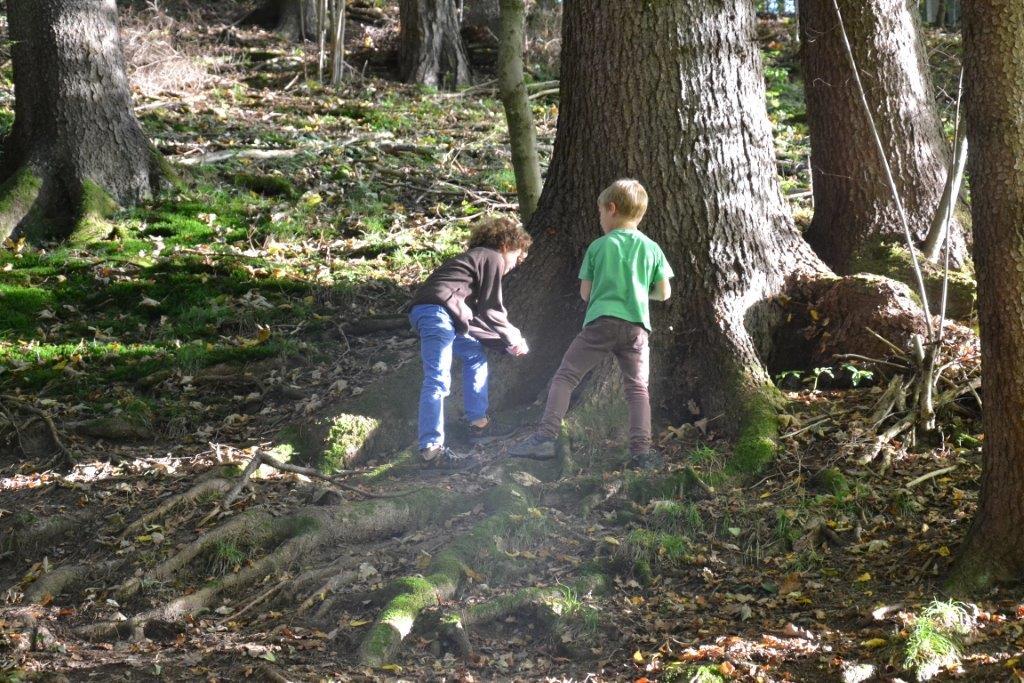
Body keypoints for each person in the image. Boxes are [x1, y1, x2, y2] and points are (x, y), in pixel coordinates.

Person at [509, 179, 673, 468]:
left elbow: (585, 293)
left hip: (601, 325)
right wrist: (638, 292)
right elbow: (663, 293)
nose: (600, 218)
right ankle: (641, 452)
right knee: (637, 389)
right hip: (636, 329)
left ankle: (545, 438)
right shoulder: (652, 248)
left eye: (600, 212)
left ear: (611, 209)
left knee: (565, 376)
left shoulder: (598, 247)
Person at [409, 216, 531, 467]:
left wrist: (504, 345)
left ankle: (478, 425)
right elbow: (491, 309)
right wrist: (513, 335)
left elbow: (472, 320)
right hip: (436, 314)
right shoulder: (492, 257)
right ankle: (431, 450)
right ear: (506, 246)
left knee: (474, 355)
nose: (515, 265)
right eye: (517, 257)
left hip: (439, 314)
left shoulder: (472, 263)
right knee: (437, 378)